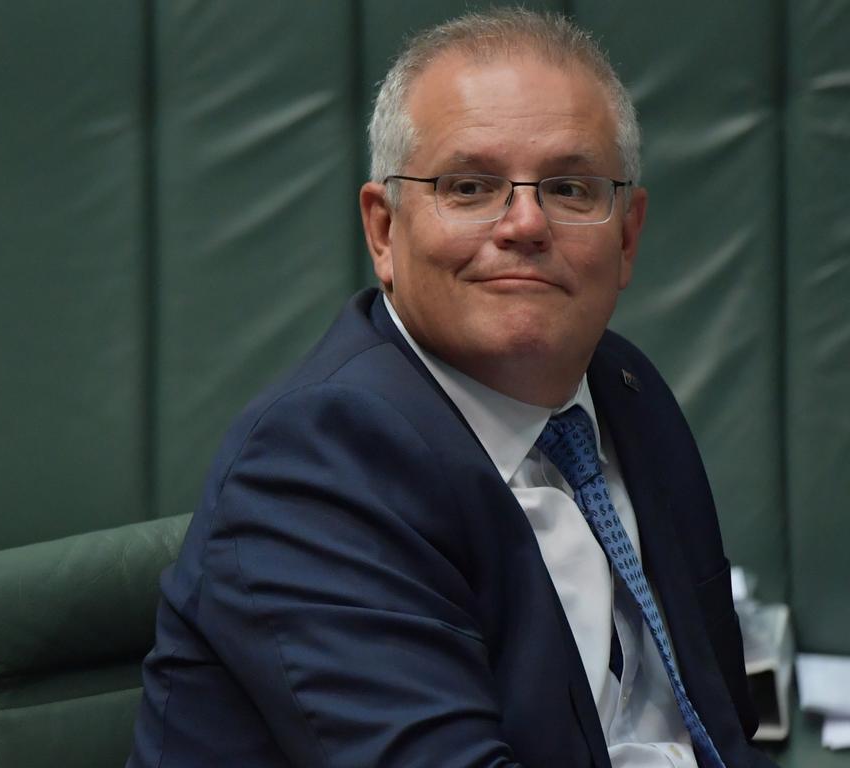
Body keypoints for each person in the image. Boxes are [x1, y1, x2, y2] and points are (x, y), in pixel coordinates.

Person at [129, 9, 777, 767]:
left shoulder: (627, 392)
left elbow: (723, 734)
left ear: (626, 235)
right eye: (470, 186)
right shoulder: (319, 461)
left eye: (570, 188)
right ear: (383, 231)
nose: (525, 223)